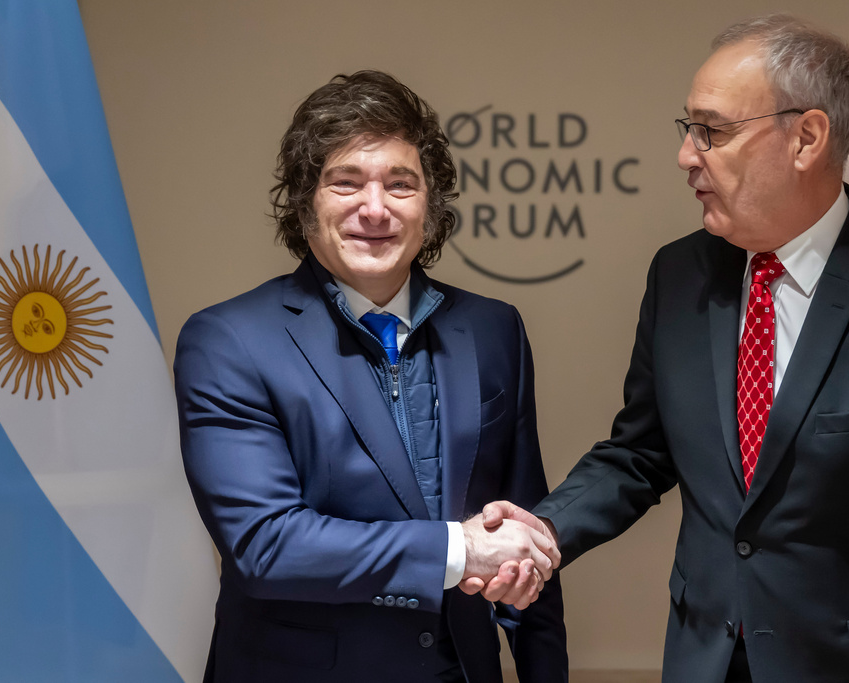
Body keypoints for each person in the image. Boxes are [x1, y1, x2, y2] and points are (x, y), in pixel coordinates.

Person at [465, 14, 849, 683]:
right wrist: (545, 532)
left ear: (807, 137)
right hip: (704, 660)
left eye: (712, 131)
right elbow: (640, 450)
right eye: (687, 129)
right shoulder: (679, 275)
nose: (686, 155)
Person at [173, 70, 567, 683]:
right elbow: (267, 545)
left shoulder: (494, 330)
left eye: (400, 184)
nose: (375, 208)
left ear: (430, 206)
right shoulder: (228, 341)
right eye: (346, 182)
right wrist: (461, 550)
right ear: (306, 202)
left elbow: (523, 526)